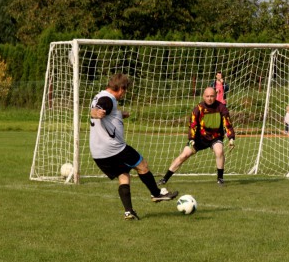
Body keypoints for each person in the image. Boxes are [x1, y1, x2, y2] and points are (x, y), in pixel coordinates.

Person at [90, 73, 178, 220]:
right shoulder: (108, 99)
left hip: (98, 152)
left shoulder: (98, 95)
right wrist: (96, 113)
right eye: (125, 91)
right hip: (114, 148)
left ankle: (128, 211)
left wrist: (118, 115)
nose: (124, 95)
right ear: (121, 89)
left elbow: (104, 110)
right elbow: (100, 109)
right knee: (142, 165)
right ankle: (156, 194)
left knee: (123, 174)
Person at [158, 87, 235, 186]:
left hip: (215, 137)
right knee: (184, 155)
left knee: (219, 151)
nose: (209, 98)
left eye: (212, 96)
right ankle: (165, 178)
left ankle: (220, 179)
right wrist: (191, 139)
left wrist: (231, 138)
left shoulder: (221, 108)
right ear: (203, 96)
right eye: (207, 96)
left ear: (215, 96)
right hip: (199, 138)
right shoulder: (198, 108)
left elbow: (227, 124)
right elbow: (193, 125)